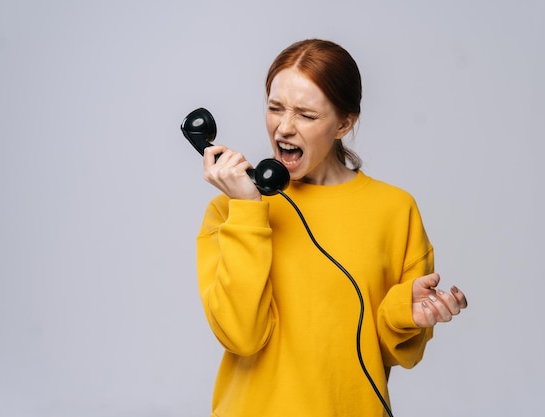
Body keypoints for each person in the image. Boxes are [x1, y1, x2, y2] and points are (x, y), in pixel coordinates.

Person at [195, 39, 467, 417]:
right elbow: (242, 337)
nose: (284, 128)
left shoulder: (395, 210)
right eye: (275, 108)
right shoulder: (230, 209)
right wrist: (247, 211)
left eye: (307, 115)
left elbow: (389, 354)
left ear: (344, 123)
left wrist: (407, 316)